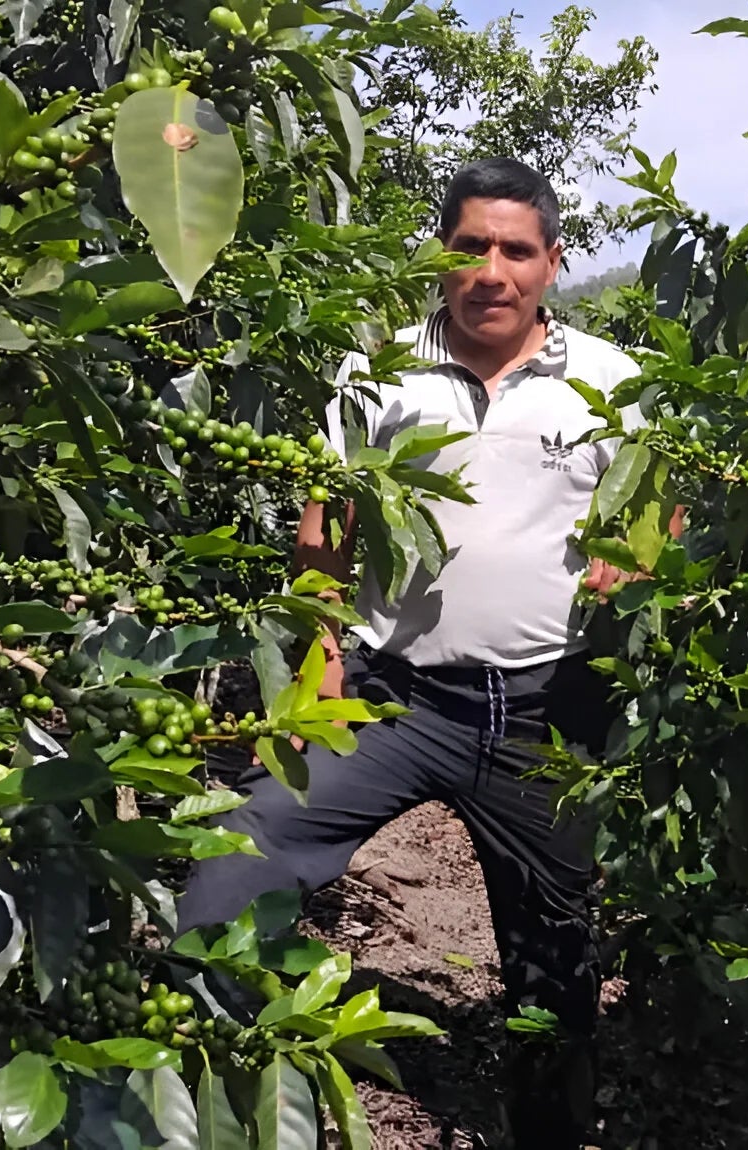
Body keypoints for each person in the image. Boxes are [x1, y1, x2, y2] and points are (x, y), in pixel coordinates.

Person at [177, 157, 644, 1148]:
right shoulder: (377, 372)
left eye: (516, 250)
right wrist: (321, 654)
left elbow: (657, 520)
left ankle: (544, 1129)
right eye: (470, 246)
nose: (491, 271)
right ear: (441, 256)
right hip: (397, 700)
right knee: (235, 869)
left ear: (551, 265)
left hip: (545, 716)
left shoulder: (611, 383)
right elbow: (324, 527)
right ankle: (213, 1083)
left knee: (554, 968)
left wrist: (635, 569)